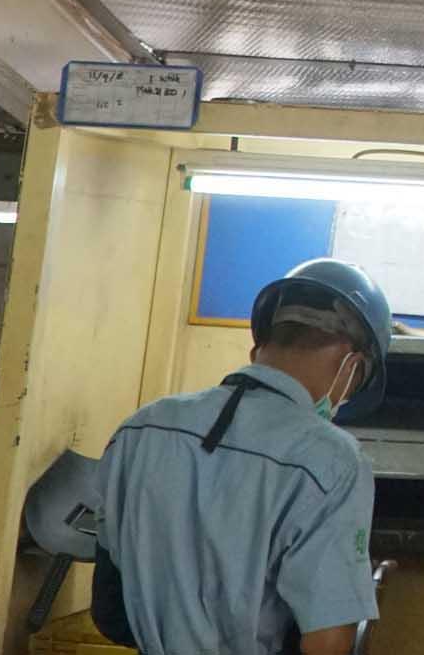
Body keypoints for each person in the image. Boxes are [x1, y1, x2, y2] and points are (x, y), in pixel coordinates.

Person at [93, 259, 393, 654]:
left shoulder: (141, 429)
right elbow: (327, 643)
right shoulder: (332, 460)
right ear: (351, 365)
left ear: (259, 347)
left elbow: (110, 610)